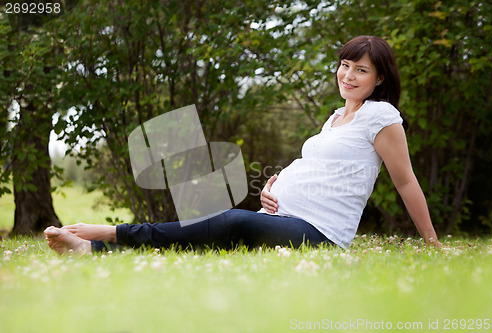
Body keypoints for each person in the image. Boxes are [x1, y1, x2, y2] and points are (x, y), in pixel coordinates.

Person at [45, 36, 442, 255]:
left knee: (229, 221)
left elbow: (405, 182)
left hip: (321, 232)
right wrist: (275, 185)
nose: (349, 75)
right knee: (215, 233)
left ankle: (112, 234)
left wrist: (432, 244)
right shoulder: (336, 119)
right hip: (285, 216)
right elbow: (323, 168)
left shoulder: (382, 117)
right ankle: (92, 252)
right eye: (345, 65)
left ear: (379, 79)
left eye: (361, 70)